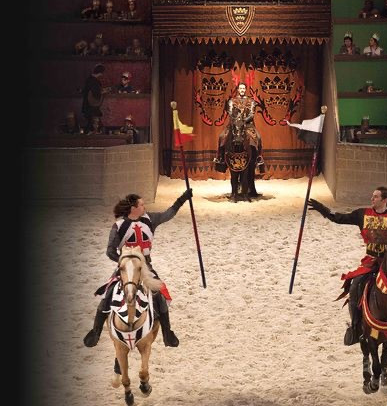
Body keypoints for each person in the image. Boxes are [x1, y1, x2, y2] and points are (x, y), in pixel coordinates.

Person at [307, 186, 387, 345]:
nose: (372, 199)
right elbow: (339, 218)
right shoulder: (362, 214)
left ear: (384, 200)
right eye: (372, 196)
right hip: (372, 261)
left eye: (375, 197)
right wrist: (323, 209)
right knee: (355, 286)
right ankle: (355, 327)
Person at [83, 189, 193, 348]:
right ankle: (95, 332)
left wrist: (182, 199)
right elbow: (110, 251)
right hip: (126, 267)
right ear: (133, 208)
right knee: (108, 293)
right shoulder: (119, 226)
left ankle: (167, 333)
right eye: (141, 204)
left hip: (146, 267)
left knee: (159, 294)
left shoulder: (150, 219)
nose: (144, 206)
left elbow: (168, 214)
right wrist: (125, 262)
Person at [213, 82, 264, 172]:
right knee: (221, 136)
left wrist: (243, 121)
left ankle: (259, 158)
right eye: (240, 88)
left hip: (247, 125)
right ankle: (220, 158)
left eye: (243, 88)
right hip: (234, 124)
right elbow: (230, 112)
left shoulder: (251, 101)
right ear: (238, 89)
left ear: (245, 89)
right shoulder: (232, 101)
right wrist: (237, 121)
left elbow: (251, 114)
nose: (242, 90)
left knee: (258, 137)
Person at [81, 63, 110, 131]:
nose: (102, 75)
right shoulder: (94, 81)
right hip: (91, 107)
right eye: (102, 73)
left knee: (91, 123)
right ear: (100, 73)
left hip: (88, 106)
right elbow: (96, 94)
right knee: (92, 123)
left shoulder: (89, 79)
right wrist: (104, 92)